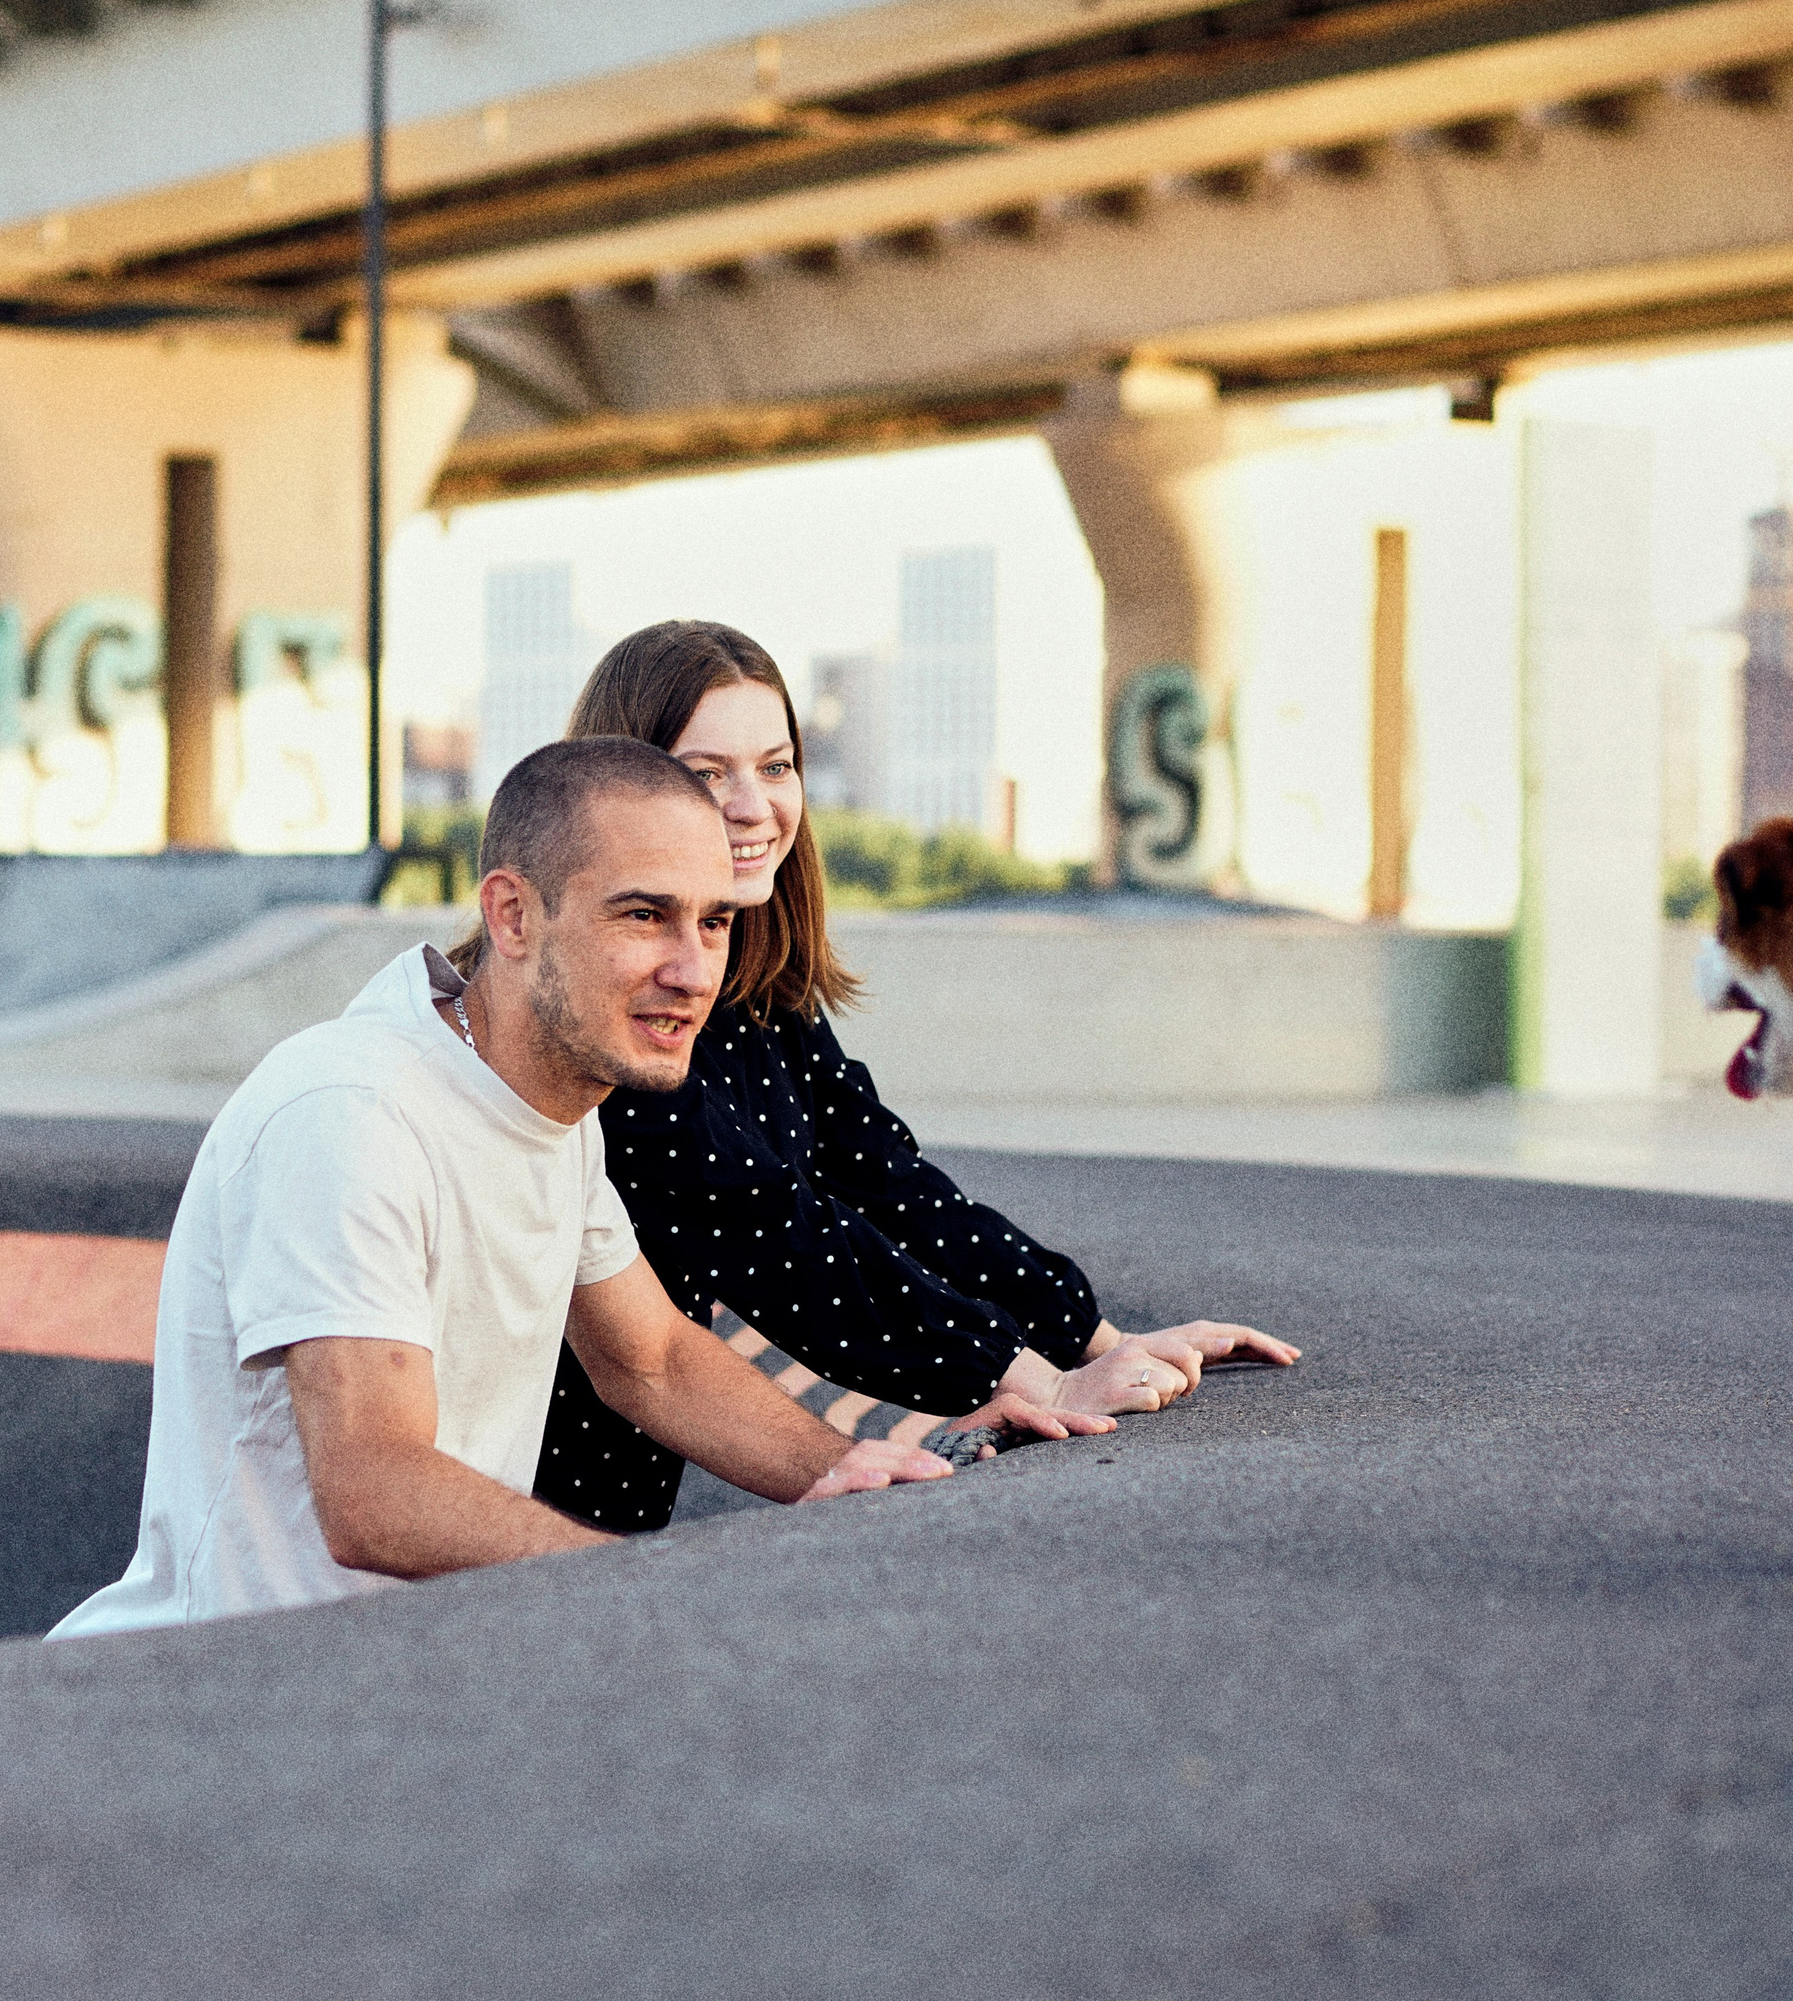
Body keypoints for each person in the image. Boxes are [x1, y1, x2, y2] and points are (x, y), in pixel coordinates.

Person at [51, 737, 950, 1637]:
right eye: (643, 917)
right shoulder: (353, 1113)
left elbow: (651, 1360)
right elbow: (373, 1488)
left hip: (407, 1681)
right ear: (513, 916)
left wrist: (839, 1470)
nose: (693, 970)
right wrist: (645, 1588)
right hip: (209, 1697)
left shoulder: (551, 1103)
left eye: (713, 922)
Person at [485, 619, 1299, 1536]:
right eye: (707, 774)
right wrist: (1033, 1377)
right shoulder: (610, 1018)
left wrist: (1092, 1338)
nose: (753, 805)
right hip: (497, 1515)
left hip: (603, 1518)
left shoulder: (753, 990)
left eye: (777, 765)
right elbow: (777, 1237)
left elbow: (887, 1183)